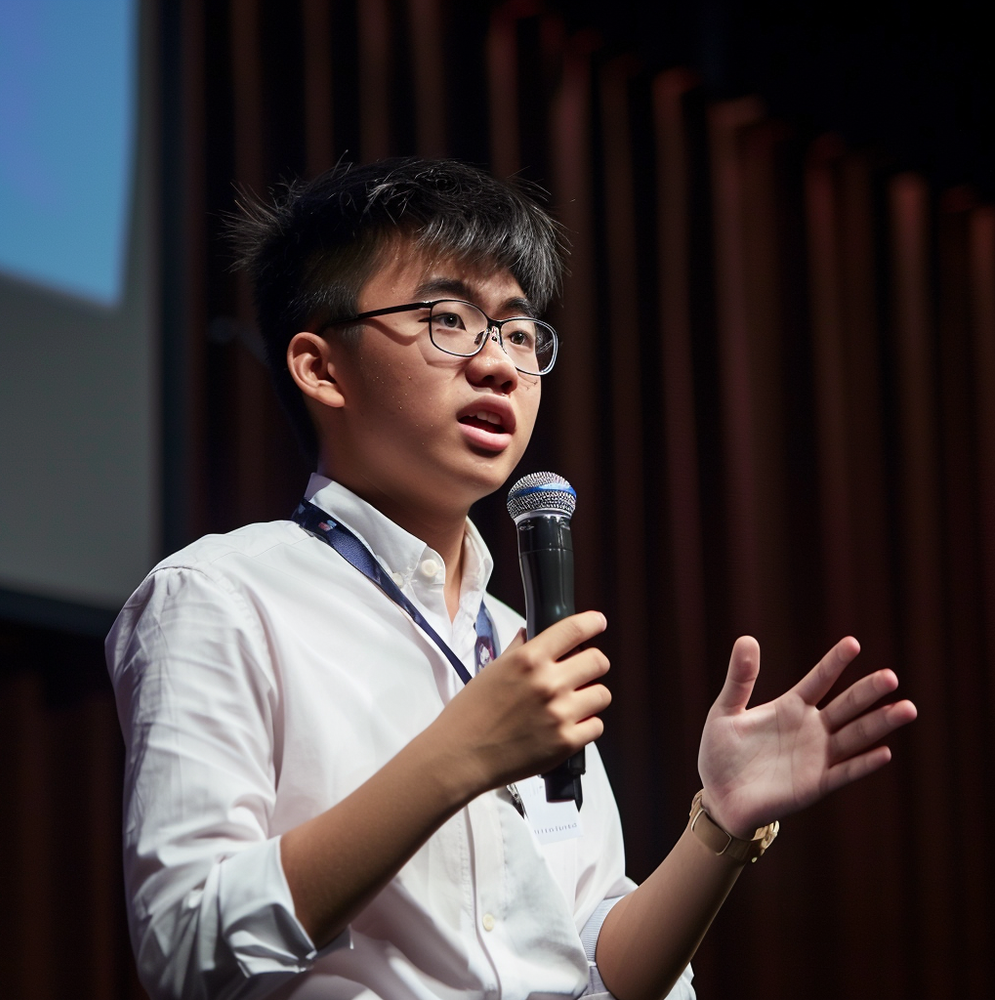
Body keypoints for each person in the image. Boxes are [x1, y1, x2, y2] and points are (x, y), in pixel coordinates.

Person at [106, 158, 917, 1000]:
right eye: (449, 319)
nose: (499, 365)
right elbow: (186, 945)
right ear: (320, 367)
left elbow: (596, 962)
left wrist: (718, 826)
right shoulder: (219, 597)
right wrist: (458, 756)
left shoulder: (514, 641)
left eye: (520, 333)